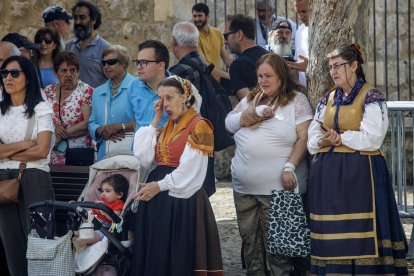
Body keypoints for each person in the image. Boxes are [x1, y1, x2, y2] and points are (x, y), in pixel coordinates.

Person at [307, 44, 408, 275]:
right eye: (331, 67)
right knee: (334, 233)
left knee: (362, 229)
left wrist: (340, 138)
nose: (333, 71)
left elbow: (373, 138)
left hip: (362, 175)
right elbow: (314, 131)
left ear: (354, 66)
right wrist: (321, 141)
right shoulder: (328, 98)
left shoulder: (371, 96)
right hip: (329, 178)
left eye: (339, 66)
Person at [225, 53, 313, 275]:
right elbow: (228, 123)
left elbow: (304, 138)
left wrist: (289, 167)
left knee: (278, 251)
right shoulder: (251, 99)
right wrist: (252, 114)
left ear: (282, 76)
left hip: (279, 189)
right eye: (260, 76)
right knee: (251, 245)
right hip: (244, 188)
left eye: (268, 76)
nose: (263, 81)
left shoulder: (296, 100)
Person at [130, 76, 223, 275]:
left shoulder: (200, 125)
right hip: (159, 198)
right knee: (157, 252)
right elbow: (143, 158)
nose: (164, 104)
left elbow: (191, 171)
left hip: (182, 198)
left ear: (185, 96)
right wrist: (155, 120)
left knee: (177, 253)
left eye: (169, 98)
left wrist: (159, 186)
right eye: (161, 99)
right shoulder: (166, 127)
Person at [0, 55, 55, 276]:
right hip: (3, 179)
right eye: (4, 73)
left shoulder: (42, 108)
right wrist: (24, 144)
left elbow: (42, 150)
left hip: (35, 178)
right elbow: (35, 147)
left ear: (29, 77)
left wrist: (7, 151)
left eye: (15, 73)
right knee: (11, 242)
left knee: (39, 241)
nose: (8, 78)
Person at [44, 51, 94, 165]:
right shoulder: (48, 91)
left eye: (72, 70)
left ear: (78, 72)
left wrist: (59, 137)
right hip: (52, 154)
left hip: (78, 152)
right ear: (56, 73)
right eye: (63, 70)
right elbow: (41, 118)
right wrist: (55, 127)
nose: (68, 74)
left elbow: (87, 123)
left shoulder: (86, 91)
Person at [88, 45, 135, 161]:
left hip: (133, 153)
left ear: (124, 63)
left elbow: (146, 121)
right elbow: (92, 122)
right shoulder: (97, 92)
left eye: (111, 62)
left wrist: (120, 127)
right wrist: (101, 130)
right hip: (105, 154)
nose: (106, 66)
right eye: (103, 63)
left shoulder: (137, 87)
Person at [74, 174, 128, 248]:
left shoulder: (118, 203)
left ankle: (77, 255)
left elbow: (115, 218)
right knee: (75, 233)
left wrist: (104, 211)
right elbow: (90, 210)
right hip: (92, 224)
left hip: (104, 230)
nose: (103, 194)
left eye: (107, 191)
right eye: (102, 191)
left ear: (119, 194)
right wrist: (77, 205)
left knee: (82, 239)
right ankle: (76, 251)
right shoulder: (102, 201)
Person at [65, 1, 109, 88]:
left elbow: (114, 81)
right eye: (75, 18)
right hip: (72, 100)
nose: (77, 22)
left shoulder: (105, 48)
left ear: (93, 20)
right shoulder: (69, 46)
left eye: (82, 17)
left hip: (96, 100)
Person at [225, 14, 268, 102]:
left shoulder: (237, 66)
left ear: (239, 35)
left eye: (226, 36)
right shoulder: (269, 56)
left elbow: (247, 104)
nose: (225, 41)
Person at [128, 40, 169, 130]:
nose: (139, 67)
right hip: (139, 143)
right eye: (138, 62)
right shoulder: (133, 85)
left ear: (161, 65)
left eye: (144, 62)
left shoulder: (179, 87)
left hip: (166, 143)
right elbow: (134, 120)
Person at [192, 3, 232, 81]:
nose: (197, 19)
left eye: (200, 16)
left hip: (219, 81)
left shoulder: (217, 32)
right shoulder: (194, 37)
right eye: (194, 16)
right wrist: (228, 75)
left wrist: (240, 71)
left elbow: (227, 60)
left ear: (207, 16)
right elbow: (205, 65)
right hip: (205, 82)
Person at [287, 0, 309, 88]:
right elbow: (298, 61)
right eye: (298, 12)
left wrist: (309, 67)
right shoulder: (300, 30)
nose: (301, 17)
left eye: (304, 11)